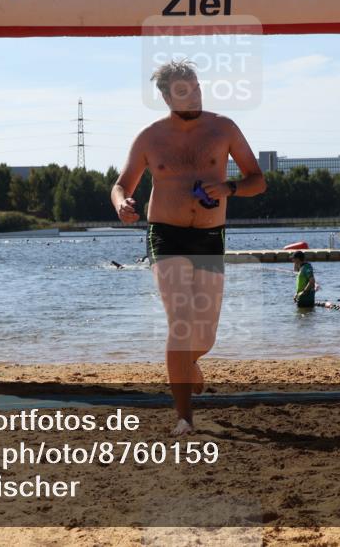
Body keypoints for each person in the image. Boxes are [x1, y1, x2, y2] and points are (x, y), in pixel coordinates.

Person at [111, 60, 265, 436]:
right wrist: (121, 204)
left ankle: (190, 363)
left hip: (210, 237)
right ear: (165, 97)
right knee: (180, 320)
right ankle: (185, 417)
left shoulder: (223, 128)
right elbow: (121, 185)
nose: (193, 94)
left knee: (205, 336)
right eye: (184, 90)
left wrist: (230, 188)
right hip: (166, 235)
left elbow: (257, 180)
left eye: (196, 87)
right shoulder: (150, 137)